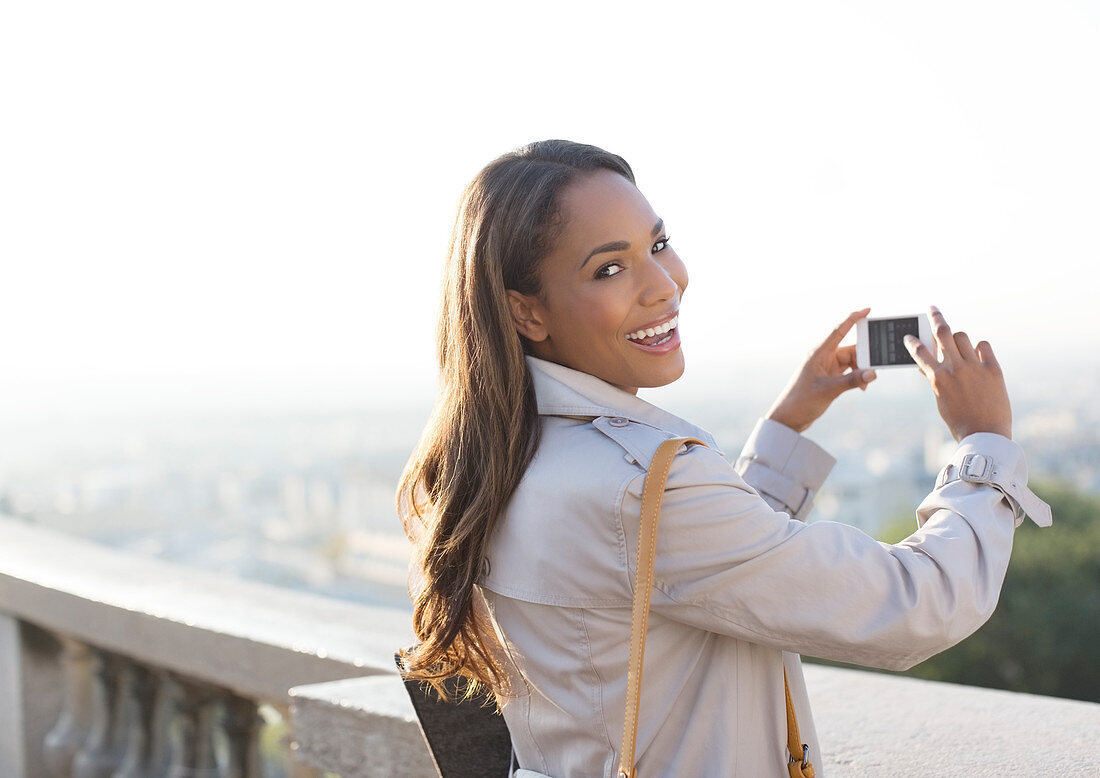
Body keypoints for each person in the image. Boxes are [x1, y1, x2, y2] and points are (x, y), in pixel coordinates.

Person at [397, 139, 1051, 777]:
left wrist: (789, 424)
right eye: (609, 268)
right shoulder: (637, 484)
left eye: (656, 245)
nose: (663, 284)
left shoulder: (486, 461)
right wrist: (984, 445)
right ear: (525, 311)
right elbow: (917, 605)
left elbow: (700, 574)